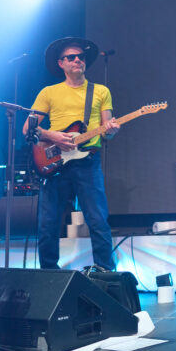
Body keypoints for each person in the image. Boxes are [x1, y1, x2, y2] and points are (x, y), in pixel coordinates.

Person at [24, 37, 119, 270]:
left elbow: (107, 132)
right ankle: (49, 274)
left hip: (88, 162)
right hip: (55, 162)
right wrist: (53, 136)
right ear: (61, 63)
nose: (77, 60)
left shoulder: (101, 91)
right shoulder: (49, 92)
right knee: (48, 223)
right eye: (71, 57)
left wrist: (112, 130)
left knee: (98, 220)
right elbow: (28, 129)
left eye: (81, 57)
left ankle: (105, 274)